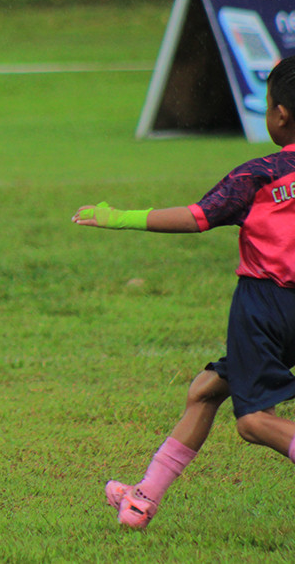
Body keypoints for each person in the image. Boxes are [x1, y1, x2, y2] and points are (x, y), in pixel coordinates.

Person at [72, 54, 295, 530]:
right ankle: (142, 499)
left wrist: (119, 217)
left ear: (279, 115)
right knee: (205, 391)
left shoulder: (259, 175)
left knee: (253, 421)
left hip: (266, 311)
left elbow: (198, 217)